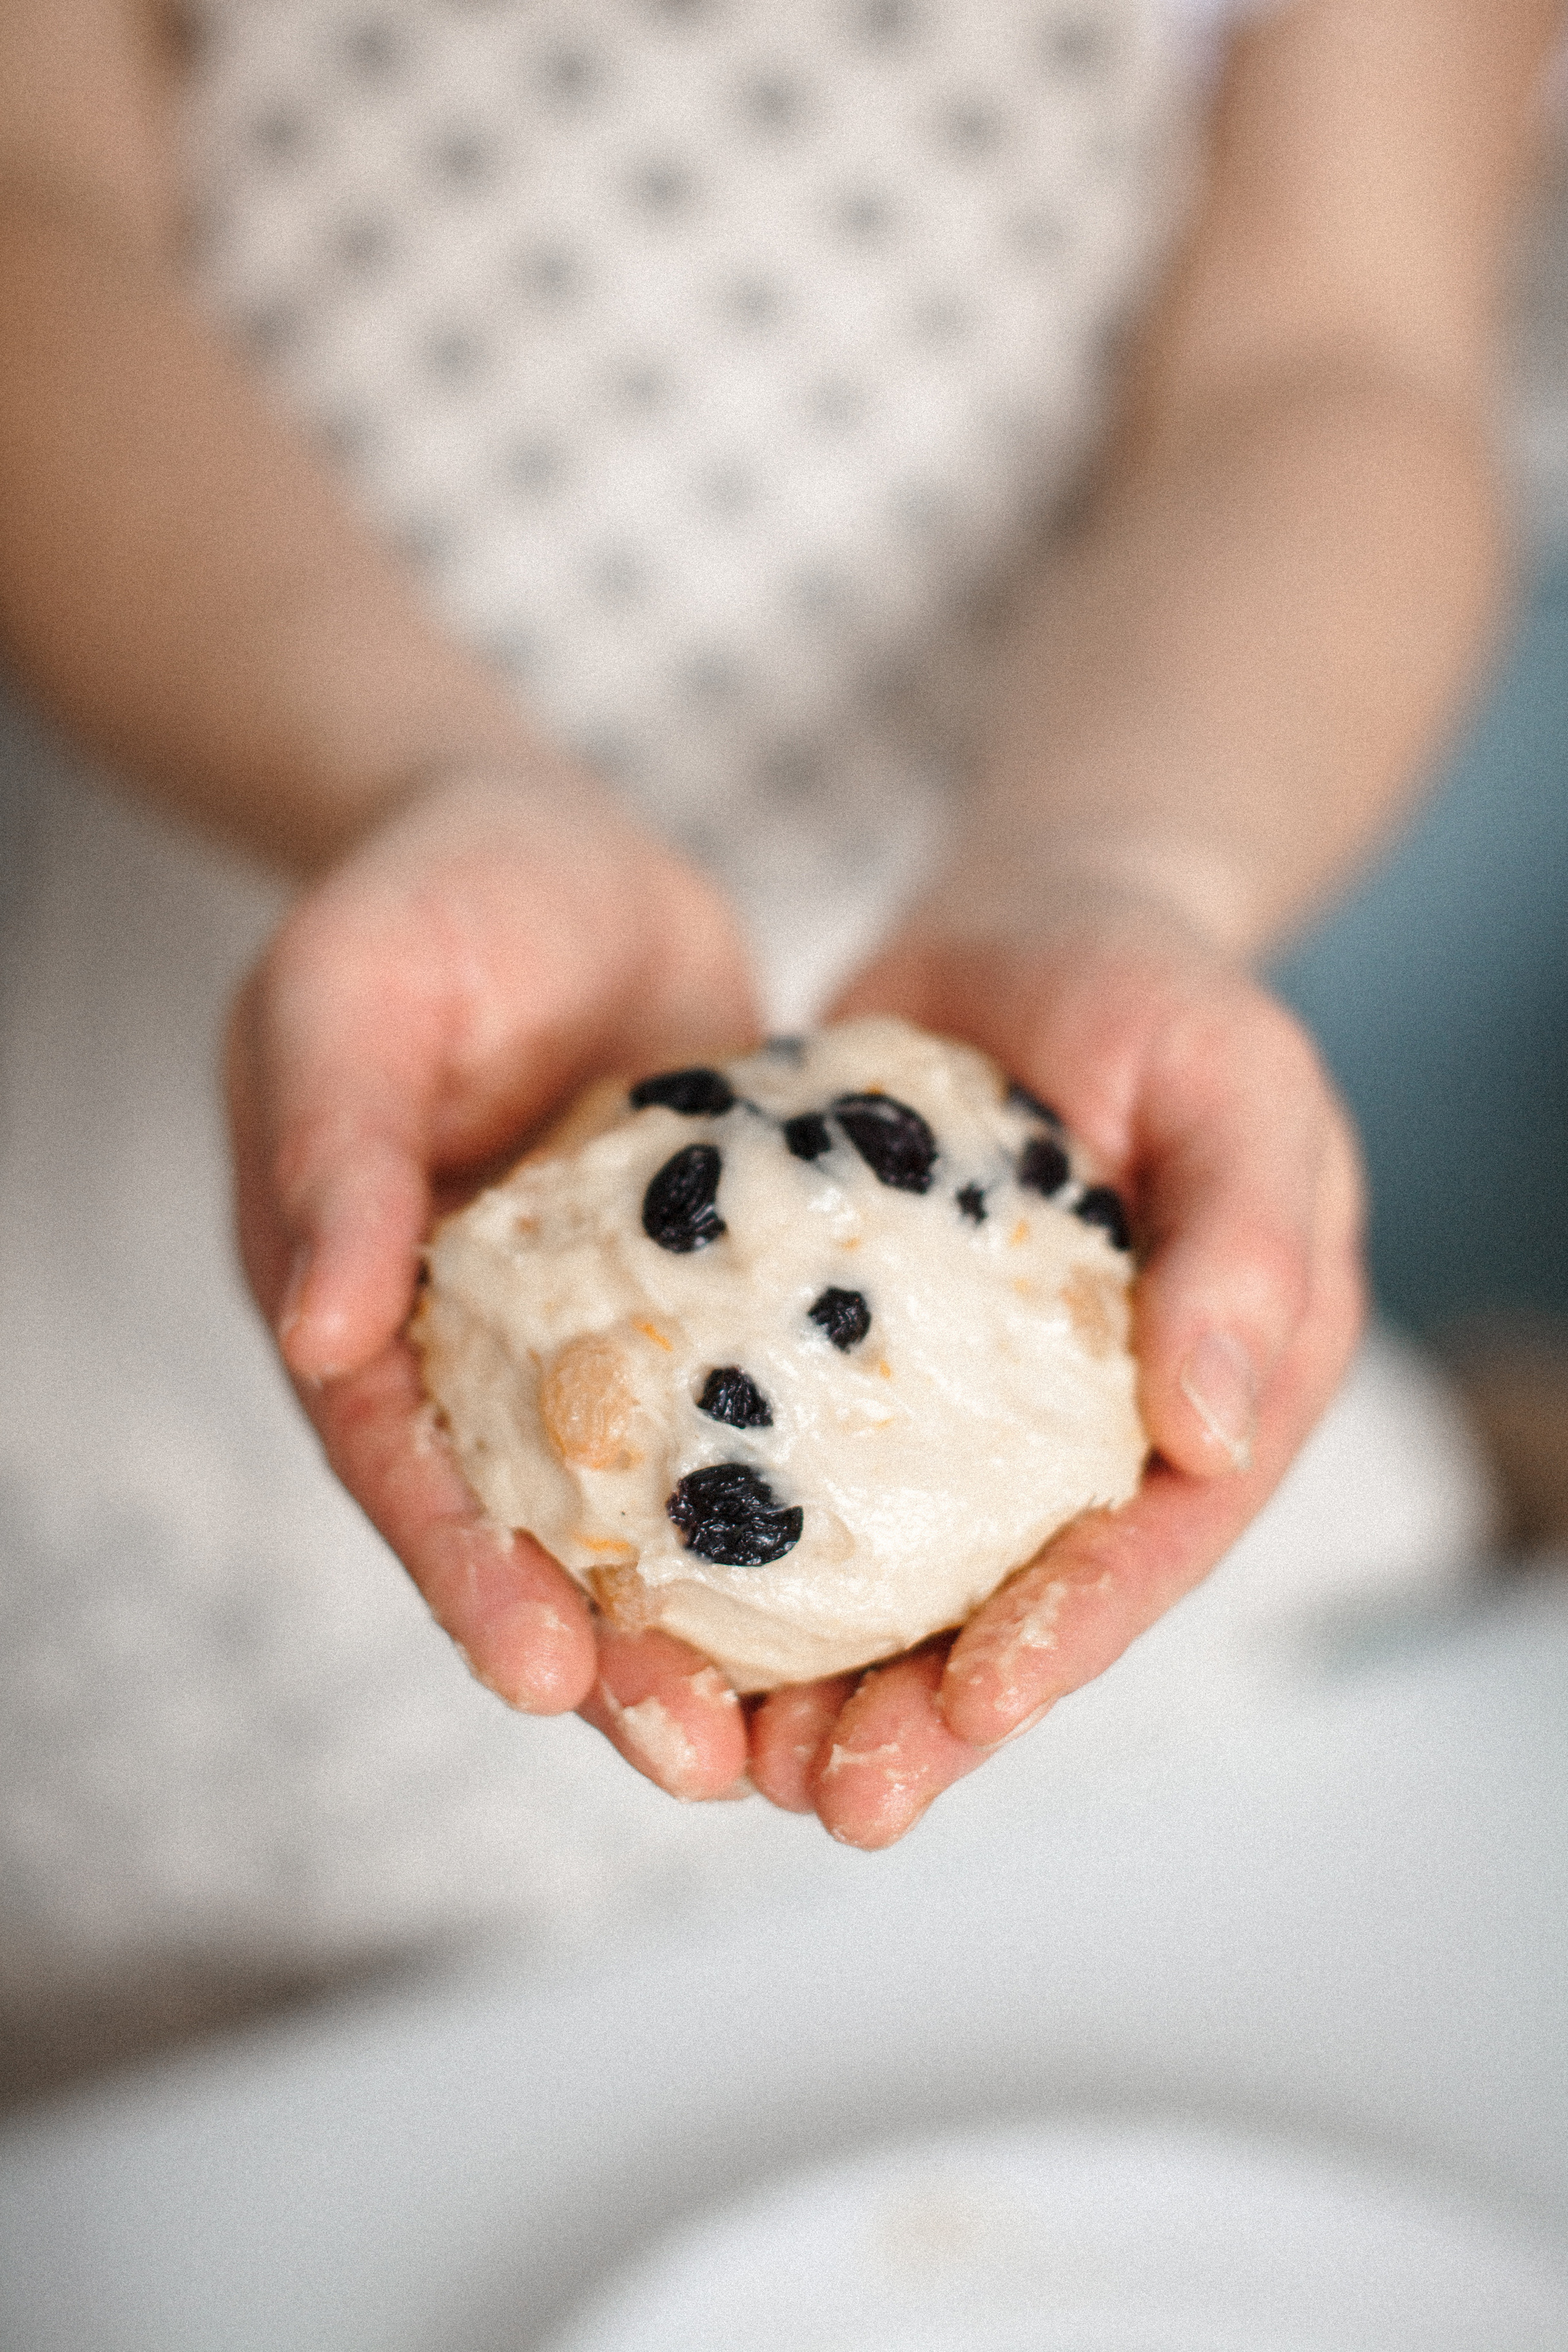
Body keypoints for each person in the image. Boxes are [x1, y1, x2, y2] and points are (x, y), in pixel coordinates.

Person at [0, 0, 1559, 1884]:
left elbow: (1344, 358)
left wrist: (1121, 866)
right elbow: (34, 210)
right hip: (259, 1066)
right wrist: (413, 779)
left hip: (1014, 975)